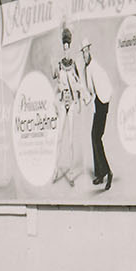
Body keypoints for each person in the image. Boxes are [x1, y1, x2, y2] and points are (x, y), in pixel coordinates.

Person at [52, 27, 86, 186]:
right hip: (61, 102)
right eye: (64, 49)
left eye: (68, 49)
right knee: (59, 137)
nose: (66, 52)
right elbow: (56, 82)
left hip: (71, 103)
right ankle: (55, 169)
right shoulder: (59, 65)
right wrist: (55, 99)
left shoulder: (73, 65)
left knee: (71, 139)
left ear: (70, 49)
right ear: (62, 49)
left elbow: (79, 85)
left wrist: (78, 100)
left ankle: (71, 173)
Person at [81, 42, 114, 191]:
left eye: (85, 52)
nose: (84, 55)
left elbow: (100, 89)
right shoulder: (89, 68)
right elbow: (89, 91)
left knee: (96, 137)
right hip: (98, 103)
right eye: (82, 53)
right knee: (94, 136)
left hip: (102, 104)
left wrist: (100, 101)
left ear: (89, 51)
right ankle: (100, 174)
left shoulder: (95, 68)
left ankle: (107, 172)